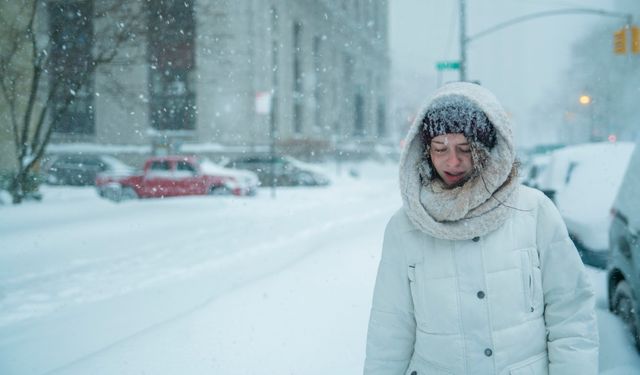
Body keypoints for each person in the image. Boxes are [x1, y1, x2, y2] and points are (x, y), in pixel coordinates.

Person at [364, 82, 598, 375]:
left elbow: (571, 314)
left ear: (487, 148)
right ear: (425, 152)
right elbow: (390, 330)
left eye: (465, 148)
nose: (453, 161)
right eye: (440, 148)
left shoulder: (533, 211)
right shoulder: (404, 227)